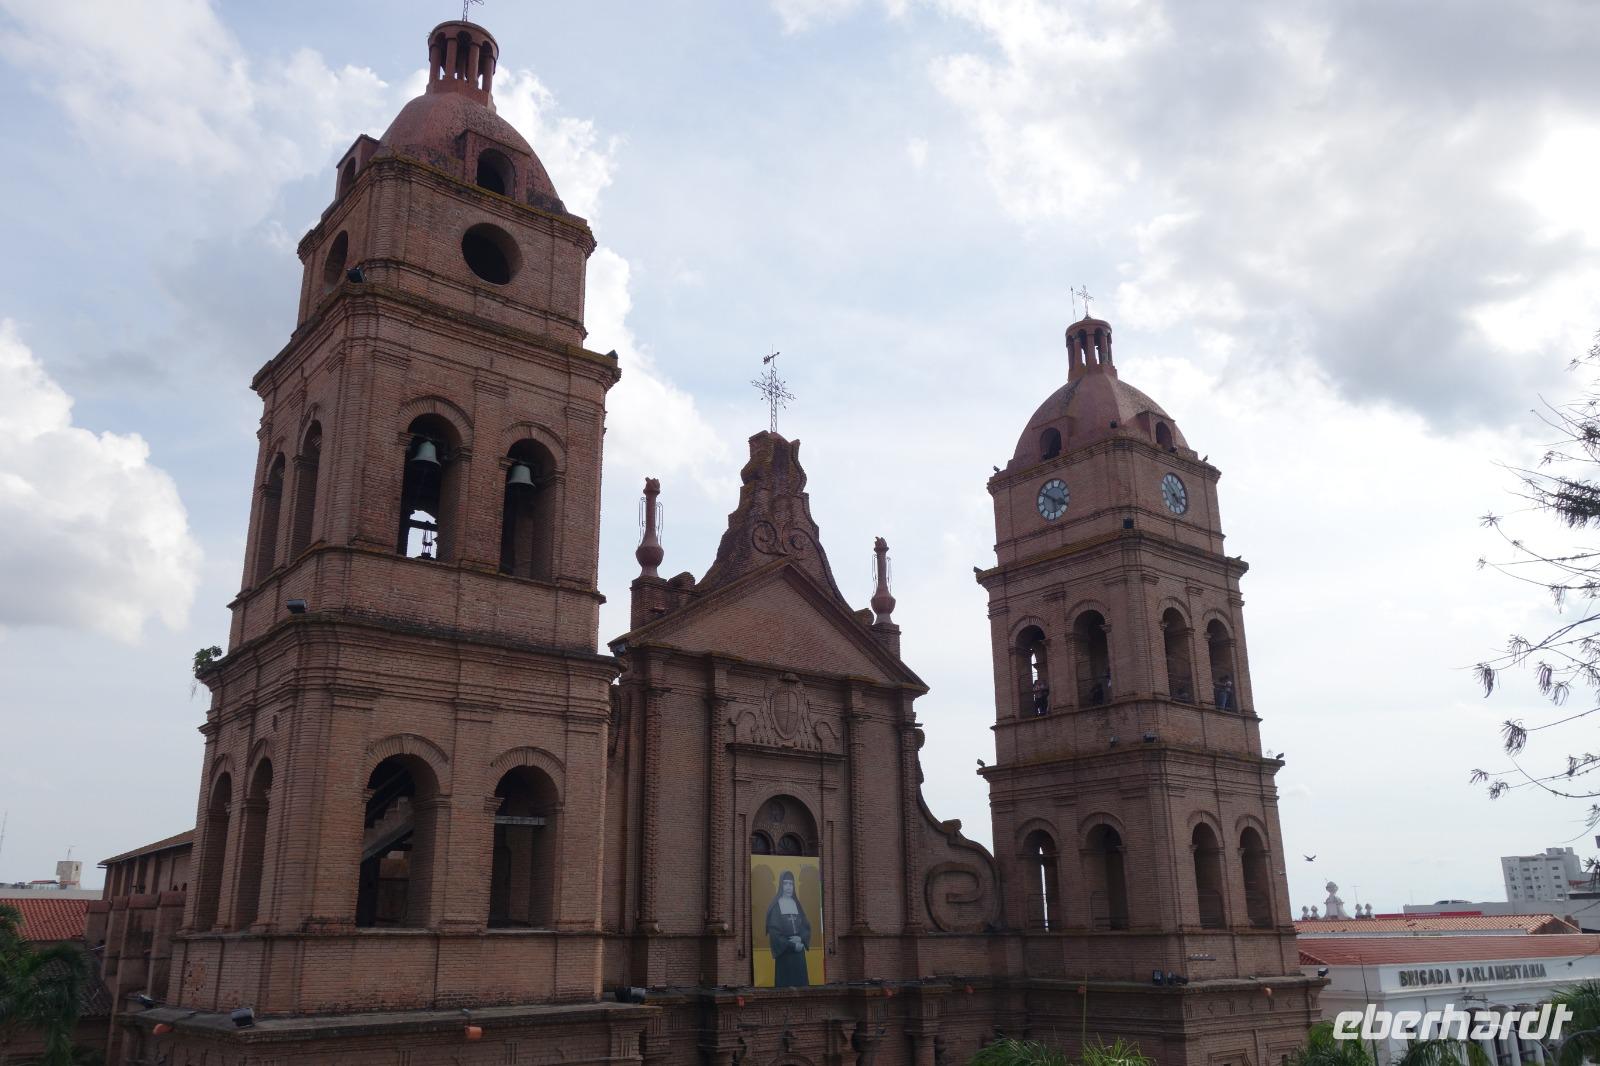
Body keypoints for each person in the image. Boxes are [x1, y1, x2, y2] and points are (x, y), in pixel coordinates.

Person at [764, 870, 812, 987]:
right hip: (785, 953)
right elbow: (774, 934)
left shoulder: (796, 904)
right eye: (785, 884)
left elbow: (806, 926)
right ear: (781, 885)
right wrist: (792, 945)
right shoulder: (776, 906)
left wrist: (800, 939)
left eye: (791, 884)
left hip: (799, 954)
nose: (788, 887)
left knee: (801, 986)